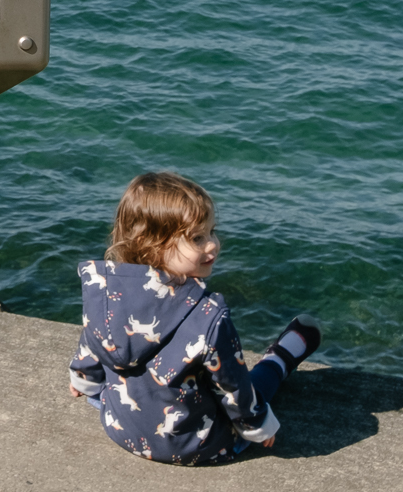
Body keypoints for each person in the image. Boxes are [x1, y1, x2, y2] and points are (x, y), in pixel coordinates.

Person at [67, 172, 321, 464]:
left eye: (212, 232)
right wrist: (257, 428)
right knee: (252, 385)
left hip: (120, 427)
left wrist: (83, 378)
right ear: (153, 243)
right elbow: (233, 388)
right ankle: (279, 359)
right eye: (197, 238)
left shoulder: (105, 289)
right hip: (195, 445)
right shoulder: (209, 315)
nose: (213, 244)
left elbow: (93, 338)